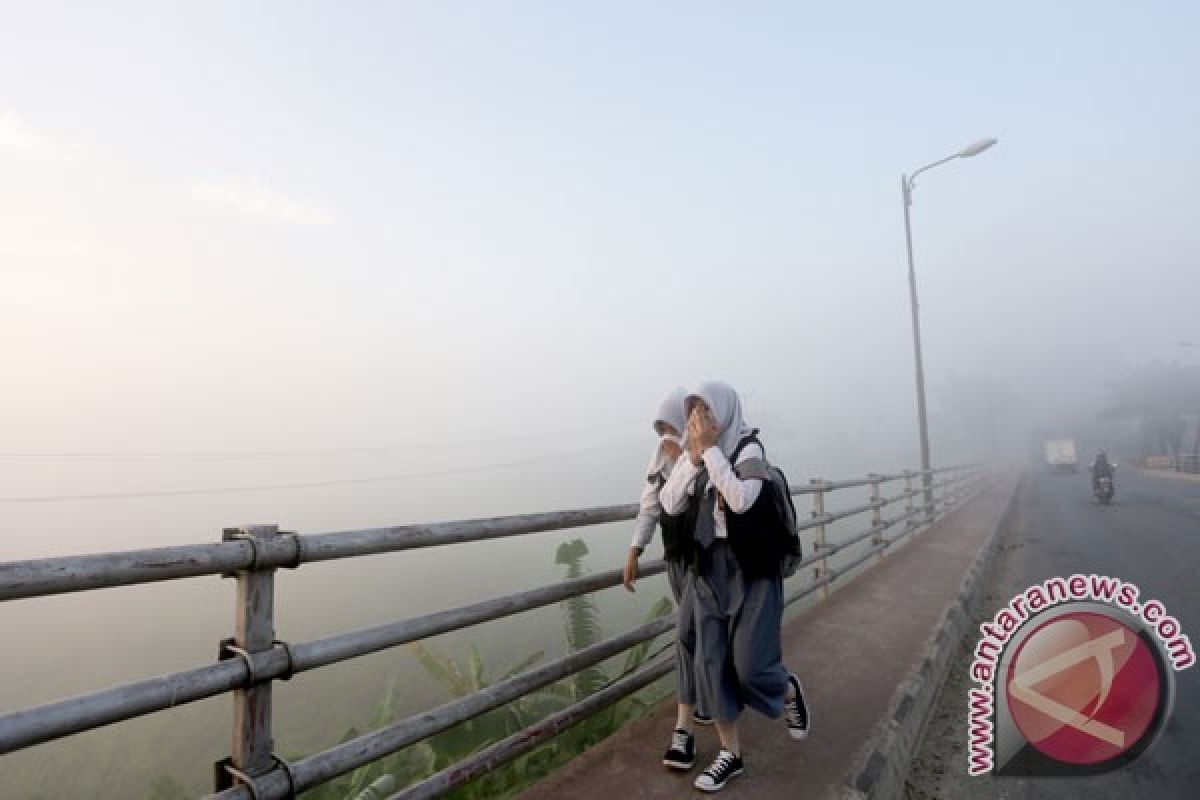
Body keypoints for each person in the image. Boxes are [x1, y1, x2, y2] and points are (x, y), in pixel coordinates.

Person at [659, 380, 809, 793]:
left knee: (750, 665)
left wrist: (708, 451)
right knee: (710, 661)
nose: (698, 421)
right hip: (709, 568)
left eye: (705, 411)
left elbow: (742, 498)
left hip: (751, 569)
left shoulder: (748, 449)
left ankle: (787, 688)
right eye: (693, 413)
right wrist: (693, 458)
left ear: (724, 411)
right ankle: (731, 754)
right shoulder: (699, 454)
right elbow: (670, 504)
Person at [621, 387, 713, 751]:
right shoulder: (659, 456)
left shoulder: (703, 452)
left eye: (668, 425)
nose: (664, 434)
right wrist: (635, 549)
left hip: (705, 560)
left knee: (687, 634)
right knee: (696, 631)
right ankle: (708, 700)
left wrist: (686, 457)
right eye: (659, 428)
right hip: (676, 558)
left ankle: (683, 728)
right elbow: (650, 505)